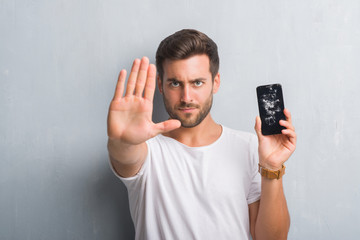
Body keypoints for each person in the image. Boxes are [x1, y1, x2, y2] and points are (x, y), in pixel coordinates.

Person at [107, 29, 297, 240]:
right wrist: (121, 141)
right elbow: (125, 155)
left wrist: (272, 168)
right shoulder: (146, 150)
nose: (186, 97)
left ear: (215, 82)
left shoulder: (249, 147)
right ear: (160, 85)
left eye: (197, 82)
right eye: (175, 83)